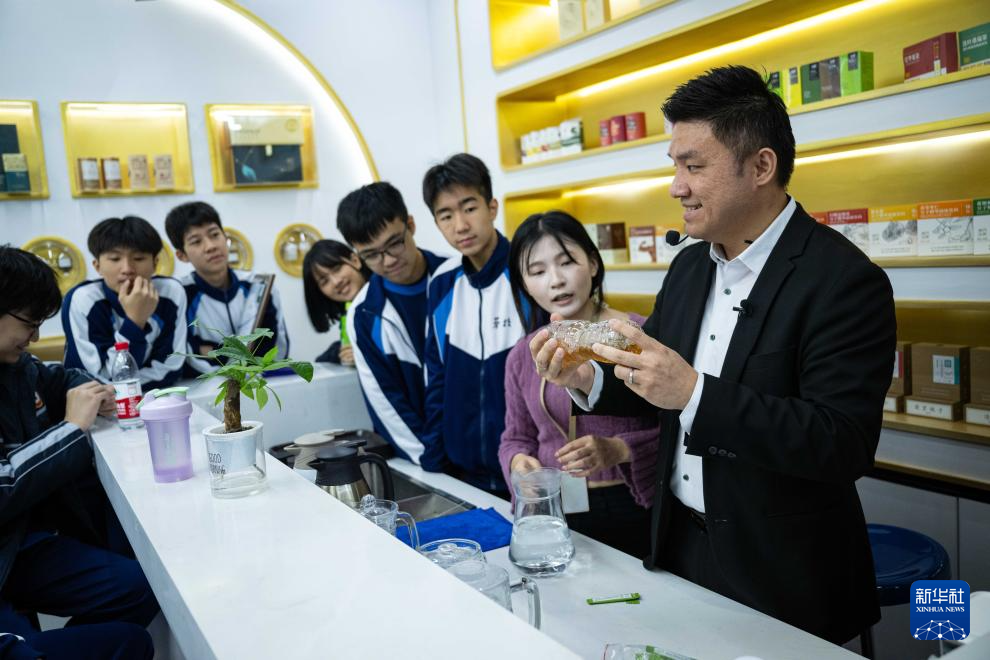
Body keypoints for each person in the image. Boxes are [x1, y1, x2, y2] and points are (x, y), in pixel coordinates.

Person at [531, 66, 895, 644]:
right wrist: (588, 380)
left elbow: (840, 442)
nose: (676, 187)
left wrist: (693, 394)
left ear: (761, 167)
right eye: (674, 166)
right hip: (680, 546)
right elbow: (654, 381)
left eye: (693, 166)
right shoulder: (689, 267)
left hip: (783, 573)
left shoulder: (843, 282)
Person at [0, 245, 159, 659]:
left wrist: (93, 392)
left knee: (143, 587)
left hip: (23, 543)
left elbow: (57, 378)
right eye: (29, 323)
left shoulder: (16, 365)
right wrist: (72, 428)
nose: (35, 337)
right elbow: (5, 484)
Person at [499, 211, 660, 558]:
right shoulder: (523, 354)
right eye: (537, 271)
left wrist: (620, 449)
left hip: (634, 501)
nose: (556, 281)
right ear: (524, 284)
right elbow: (516, 437)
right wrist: (518, 463)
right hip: (556, 508)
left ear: (593, 264)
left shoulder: (639, 335)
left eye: (567, 262)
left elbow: (681, 431)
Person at [422, 153, 527, 496]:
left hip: (526, 470)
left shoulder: (529, 272)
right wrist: (434, 460)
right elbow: (436, 377)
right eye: (446, 215)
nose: (461, 225)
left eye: (469, 208)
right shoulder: (442, 284)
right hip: (462, 472)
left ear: (492, 207)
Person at [337, 182, 447, 464]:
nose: (387, 261)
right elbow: (386, 402)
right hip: (428, 458)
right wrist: (430, 459)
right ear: (357, 255)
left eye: (394, 244)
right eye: (371, 255)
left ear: (410, 225)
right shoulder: (364, 314)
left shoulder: (456, 278)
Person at [164, 201, 289, 375]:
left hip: (261, 382)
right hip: (206, 388)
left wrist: (211, 350)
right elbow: (186, 356)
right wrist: (236, 356)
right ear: (182, 255)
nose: (211, 246)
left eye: (215, 234)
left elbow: (276, 348)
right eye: (196, 241)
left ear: (225, 237)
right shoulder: (180, 295)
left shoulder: (258, 285)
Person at [62, 216, 187, 390]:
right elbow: (96, 378)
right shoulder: (84, 299)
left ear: (155, 263)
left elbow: (171, 367)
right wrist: (135, 321)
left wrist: (124, 386)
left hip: (154, 395)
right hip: (97, 402)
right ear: (97, 266)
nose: (127, 269)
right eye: (115, 259)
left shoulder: (171, 292)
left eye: (139, 258)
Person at [302, 239, 370, 365]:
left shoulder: (387, 294)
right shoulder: (351, 311)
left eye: (337, 269)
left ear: (355, 260)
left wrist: (366, 354)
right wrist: (342, 353)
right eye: (324, 281)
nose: (336, 282)